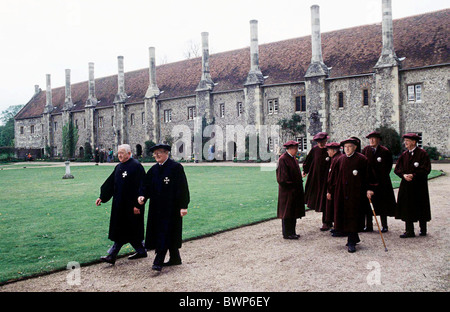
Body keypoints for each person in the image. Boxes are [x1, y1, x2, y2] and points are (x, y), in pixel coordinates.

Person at [138, 143, 190, 271]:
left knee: (165, 232)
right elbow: (146, 185)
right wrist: (142, 195)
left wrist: (183, 206)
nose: (156, 155)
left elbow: (183, 188)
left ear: (166, 153)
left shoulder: (176, 168)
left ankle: (158, 261)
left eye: (159, 153)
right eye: (155, 153)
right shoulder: (154, 169)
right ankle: (175, 258)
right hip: (156, 208)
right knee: (167, 233)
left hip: (171, 208)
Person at [95, 144, 147, 265]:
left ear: (129, 154)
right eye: (118, 153)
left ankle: (112, 255)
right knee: (128, 231)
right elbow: (110, 184)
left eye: (122, 153)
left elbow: (142, 187)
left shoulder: (136, 166)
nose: (119, 155)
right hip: (119, 206)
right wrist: (102, 197)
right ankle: (141, 250)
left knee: (124, 231)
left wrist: (138, 206)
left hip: (132, 206)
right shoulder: (118, 167)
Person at [327, 138, 375, 252]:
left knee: (354, 215)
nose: (347, 149)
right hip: (341, 192)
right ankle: (353, 236)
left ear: (354, 147)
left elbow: (369, 175)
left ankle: (351, 241)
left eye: (350, 146)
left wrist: (370, 188)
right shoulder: (340, 159)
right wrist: (330, 190)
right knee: (344, 214)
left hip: (356, 193)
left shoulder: (362, 159)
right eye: (345, 147)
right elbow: (332, 176)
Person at [394, 133, 431, 238]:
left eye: (408, 141)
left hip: (419, 186)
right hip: (407, 186)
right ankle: (409, 231)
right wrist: (403, 175)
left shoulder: (422, 154)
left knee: (421, 206)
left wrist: (414, 175)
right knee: (407, 207)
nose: (405, 143)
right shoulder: (404, 155)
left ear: (414, 142)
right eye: (405, 141)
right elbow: (397, 169)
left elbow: (426, 169)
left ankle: (423, 229)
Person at [361, 131, 396, 232]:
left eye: (374, 138)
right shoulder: (366, 150)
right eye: (370, 138)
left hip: (382, 181)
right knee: (368, 203)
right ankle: (368, 225)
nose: (371, 140)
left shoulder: (385, 151)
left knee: (383, 204)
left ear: (378, 140)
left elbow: (389, 165)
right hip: (369, 181)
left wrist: (381, 177)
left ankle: (384, 225)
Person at [276, 140, 306, 239]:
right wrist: (292, 186)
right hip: (288, 191)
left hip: (294, 190)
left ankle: (292, 232)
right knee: (287, 212)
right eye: (295, 149)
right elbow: (282, 178)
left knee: (293, 212)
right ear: (290, 149)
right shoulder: (283, 159)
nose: (297, 150)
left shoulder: (292, 158)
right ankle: (287, 233)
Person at [302, 132, 330, 231]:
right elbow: (308, 161)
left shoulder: (330, 149)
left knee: (328, 199)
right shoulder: (314, 150)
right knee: (321, 199)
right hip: (317, 179)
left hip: (328, 179)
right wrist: (305, 170)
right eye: (318, 142)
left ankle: (327, 221)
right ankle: (326, 222)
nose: (321, 144)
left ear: (326, 140)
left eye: (322, 142)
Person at [323, 142, 342, 234]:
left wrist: (330, 190)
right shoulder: (336, 158)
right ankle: (337, 226)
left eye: (329, 150)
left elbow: (333, 177)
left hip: (335, 189)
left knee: (336, 207)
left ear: (334, 150)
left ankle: (339, 228)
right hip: (336, 188)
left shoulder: (337, 159)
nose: (327, 152)